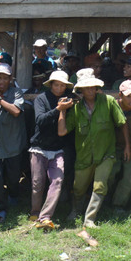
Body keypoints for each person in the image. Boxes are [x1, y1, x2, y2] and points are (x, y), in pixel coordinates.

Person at [57, 68, 130, 229]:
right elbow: (62, 131)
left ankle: (90, 218)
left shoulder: (108, 102)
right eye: (86, 87)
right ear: (80, 90)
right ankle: (76, 210)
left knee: (100, 185)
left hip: (106, 153)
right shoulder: (76, 109)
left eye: (92, 86)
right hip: (84, 156)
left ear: (96, 87)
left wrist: (127, 147)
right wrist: (62, 111)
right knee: (79, 187)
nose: (90, 90)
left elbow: (122, 123)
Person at [29, 70, 73, 230]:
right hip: (39, 147)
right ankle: (35, 211)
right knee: (37, 183)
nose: (59, 88)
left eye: (62, 85)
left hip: (58, 148)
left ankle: (46, 216)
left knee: (57, 181)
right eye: (56, 84)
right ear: (51, 85)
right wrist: (58, 109)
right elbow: (40, 121)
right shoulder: (41, 99)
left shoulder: (70, 100)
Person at [0, 63, 25, 222]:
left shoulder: (16, 92)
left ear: (10, 79)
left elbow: (16, 111)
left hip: (12, 144)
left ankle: (14, 196)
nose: (1, 81)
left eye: (5, 78)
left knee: (14, 177)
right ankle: (1, 208)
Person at [109, 79, 131, 214]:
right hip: (114, 146)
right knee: (110, 174)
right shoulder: (112, 107)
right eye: (128, 96)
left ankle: (119, 204)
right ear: (120, 95)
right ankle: (104, 200)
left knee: (129, 177)